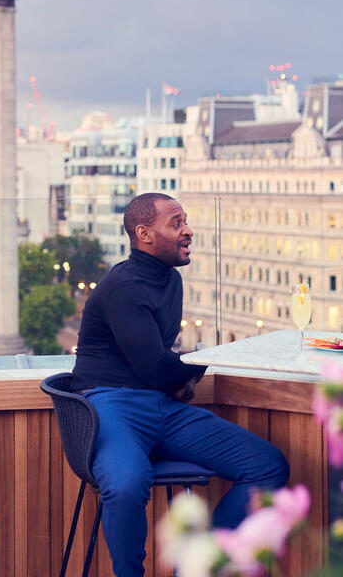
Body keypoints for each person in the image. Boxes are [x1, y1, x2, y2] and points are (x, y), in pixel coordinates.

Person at [71, 192, 289, 577]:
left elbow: (160, 366)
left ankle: (201, 564)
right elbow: (155, 366)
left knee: (267, 466)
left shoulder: (170, 280)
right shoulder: (123, 285)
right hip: (110, 404)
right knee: (125, 484)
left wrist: (180, 376)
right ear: (144, 233)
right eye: (176, 223)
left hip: (161, 407)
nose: (188, 231)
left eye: (185, 221)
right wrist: (190, 371)